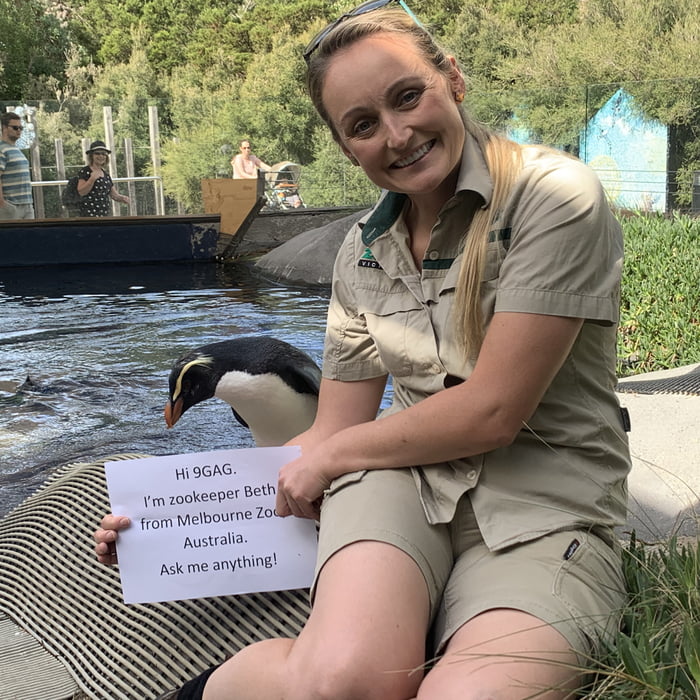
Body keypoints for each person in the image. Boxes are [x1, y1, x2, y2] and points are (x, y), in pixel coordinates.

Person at [95, 4, 632, 699]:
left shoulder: (553, 198)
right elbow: (329, 432)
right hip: (399, 485)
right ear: (347, 149)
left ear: (453, 79)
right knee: (347, 682)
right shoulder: (362, 252)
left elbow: (493, 411)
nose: (397, 134)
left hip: (545, 509)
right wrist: (168, 525)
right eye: (363, 124)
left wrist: (337, 455)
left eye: (407, 96)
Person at [76, 140, 129, 217]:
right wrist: (92, 179)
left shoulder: (106, 175)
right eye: (97, 153)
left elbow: (114, 195)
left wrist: (122, 198)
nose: (101, 156)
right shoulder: (85, 171)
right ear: (91, 156)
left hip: (104, 215)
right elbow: (81, 192)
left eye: (104, 154)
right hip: (88, 216)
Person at [0, 112, 35, 220]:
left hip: (27, 204)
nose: (19, 131)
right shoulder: (1, 149)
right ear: (4, 128)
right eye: (15, 128)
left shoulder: (16, 149)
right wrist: (2, 203)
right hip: (11, 205)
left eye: (21, 128)